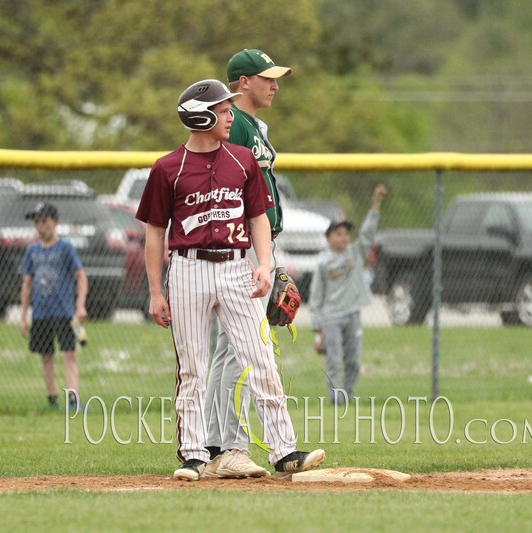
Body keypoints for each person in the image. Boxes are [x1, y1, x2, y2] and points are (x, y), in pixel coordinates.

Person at [136, 78, 325, 481]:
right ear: (200, 116)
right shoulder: (168, 168)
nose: (229, 116)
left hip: (238, 267)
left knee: (259, 358)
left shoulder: (241, 159)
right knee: (192, 366)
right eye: (223, 110)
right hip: (187, 268)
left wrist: (263, 264)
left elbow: (258, 216)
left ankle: (285, 451)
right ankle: (193, 455)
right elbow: (154, 232)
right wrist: (155, 291)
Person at [203, 48, 293, 479]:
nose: (274, 84)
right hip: (241, 248)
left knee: (228, 353)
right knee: (242, 353)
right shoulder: (233, 124)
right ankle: (226, 446)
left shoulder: (251, 125)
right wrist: (257, 256)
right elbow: (225, 184)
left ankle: (217, 445)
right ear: (243, 83)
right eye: (266, 78)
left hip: (256, 247)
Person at [310, 184, 387, 404]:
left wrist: (376, 203)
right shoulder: (323, 263)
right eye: (338, 234)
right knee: (334, 360)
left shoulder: (355, 253)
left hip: (352, 314)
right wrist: (318, 331)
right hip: (332, 317)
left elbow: (367, 233)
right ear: (328, 238)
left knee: (353, 360)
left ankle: (348, 395)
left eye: (346, 234)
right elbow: (316, 298)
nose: (344, 238)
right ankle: (335, 399)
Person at [19, 202, 89, 412]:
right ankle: (52, 400)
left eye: (45, 221)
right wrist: (23, 316)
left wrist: (80, 305)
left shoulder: (65, 248)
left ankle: (73, 401)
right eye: (37, 222)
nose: (41, 226)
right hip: (41, 314)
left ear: (56, 223)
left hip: (64, 313)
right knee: (46, 356)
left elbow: (81, 277)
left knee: (69, 355)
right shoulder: (32, 250)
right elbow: (27, 284)